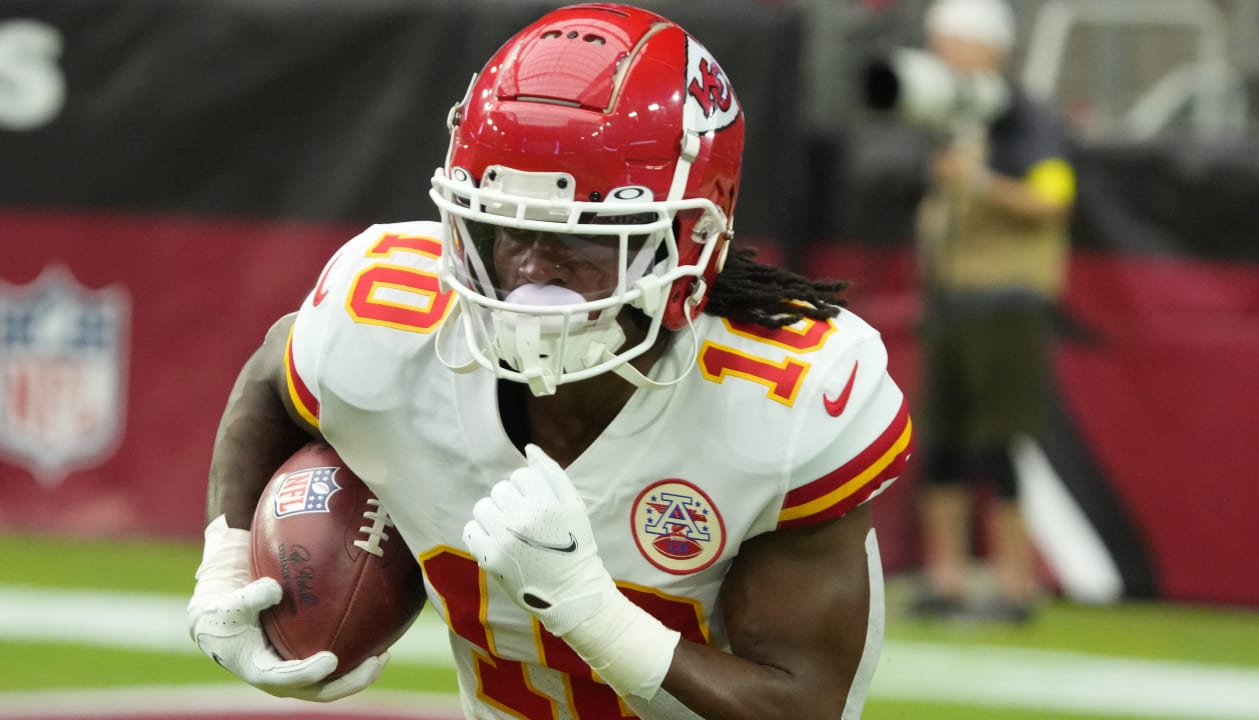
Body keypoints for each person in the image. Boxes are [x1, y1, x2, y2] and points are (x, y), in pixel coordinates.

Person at [185, 4, 912, 718]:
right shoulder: (385, 326)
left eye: (590, 240)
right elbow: (270, 375)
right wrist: (227, 554)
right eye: (506, 231)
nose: (534, 272)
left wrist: (592, 613)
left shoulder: (784, 402)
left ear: (689, 241)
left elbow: (801, 705)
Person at [909, 0, 1075, 623]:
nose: (940, 55)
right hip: (950, 297)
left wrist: (974, 181)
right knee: (943, 444)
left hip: (1005, 299)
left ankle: (1015, 584)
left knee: (997, 444)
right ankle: (946, 579)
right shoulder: (952, 113)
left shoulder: (1023, 116)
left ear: (987, 47)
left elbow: (1053, 202)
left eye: (950, 42)